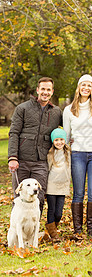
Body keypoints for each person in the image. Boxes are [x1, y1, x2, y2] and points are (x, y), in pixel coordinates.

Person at [8, 77, 62, 214]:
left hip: (41, 162)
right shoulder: (22, 108)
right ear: (37, 90)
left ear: (52, 92)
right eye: (43, 89)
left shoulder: (56, 112)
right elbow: (14, 132)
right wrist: (13, 157)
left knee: (39, 198)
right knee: (20, 197)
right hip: (21, 160)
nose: (45, 92)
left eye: (48, 89)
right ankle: (17, 231)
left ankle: (34, 232)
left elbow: (64, 132)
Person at [63, 74, 92, 236]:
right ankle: (78, 229)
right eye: (83, 85)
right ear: (78, 88)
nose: (85, 88)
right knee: (78, 192)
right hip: (77, 154)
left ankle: (91, 229)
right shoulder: (69, 110)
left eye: (89, 85)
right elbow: (66, 134)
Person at [44, 128, 71, 242]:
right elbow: (47, 170)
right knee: (52, 209)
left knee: (59, 213)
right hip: (51, 185)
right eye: (56, 140)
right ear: (52, 141)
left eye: (61, 139)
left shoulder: (68, 152)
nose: (59, 142)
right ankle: (53, 233)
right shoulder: (50, 154)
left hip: (63, 186)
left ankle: (51, 228)